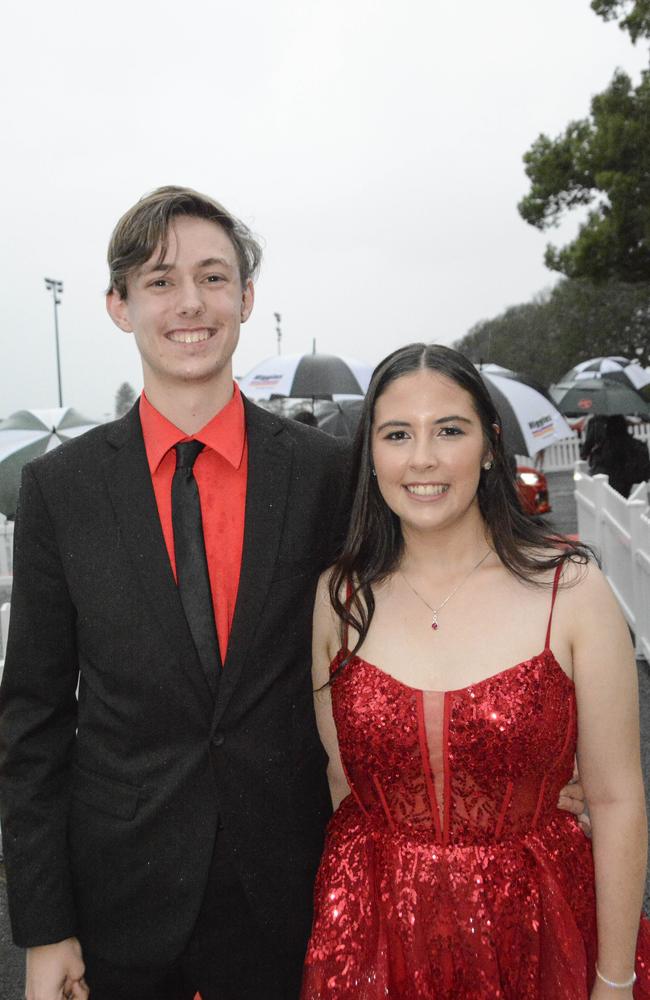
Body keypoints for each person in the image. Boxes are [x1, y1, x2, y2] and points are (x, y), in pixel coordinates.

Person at [0, 186, 352, 1000]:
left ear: (246, 298)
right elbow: (35, 721)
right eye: (159, 280)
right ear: (119, 306)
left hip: (296, 893)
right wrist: (45, 929)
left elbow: (401, 637)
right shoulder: (62, 490)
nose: (189, 303)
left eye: (212, 277)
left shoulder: (324, 473)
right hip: (121, 905)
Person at [302, 343, 649, 999]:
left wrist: (614, 979)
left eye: (449, 430)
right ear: (371, 454)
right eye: (398, 434)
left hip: (541, 937)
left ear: (490, 446)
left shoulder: (571, 592)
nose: (423, 458)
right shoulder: (339, 600)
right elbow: (339, 780)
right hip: (375, 941)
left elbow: (617, 800)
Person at [586, 415, 650, 499]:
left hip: (611, 483)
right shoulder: (634, 445)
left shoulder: (605, 446)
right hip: (629, 483)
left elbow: (598, 465)